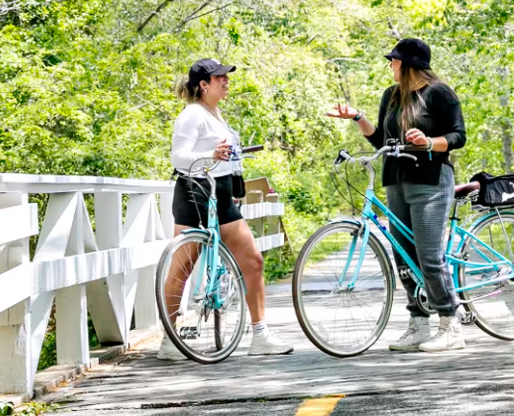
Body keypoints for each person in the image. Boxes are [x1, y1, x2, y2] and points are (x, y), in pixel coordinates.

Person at [327, 38, 467, 352]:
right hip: (396, 180)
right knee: (404, 256)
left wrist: (429, 141)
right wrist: (356, 118)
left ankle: (451, 324)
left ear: (407, 64)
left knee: (430, 257)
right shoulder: (391, 96)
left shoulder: (439, 93)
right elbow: (381, 141)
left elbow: (458, 136)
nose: (390, 65)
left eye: (393, 60)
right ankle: (419, 324)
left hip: (430, 179)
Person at [159, 58, 294, 360]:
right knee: (181, 269)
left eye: (226, 77)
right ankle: (169, 340)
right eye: (220, 77)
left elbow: (227, 159)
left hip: (220, 196)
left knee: (253, 261)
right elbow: (179, 157)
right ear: (203, 85)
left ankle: (260, 335)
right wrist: (211, 154)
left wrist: (235, 186)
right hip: (195, 192)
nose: (226, 81)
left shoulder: (215, 113)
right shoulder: (192, 114)